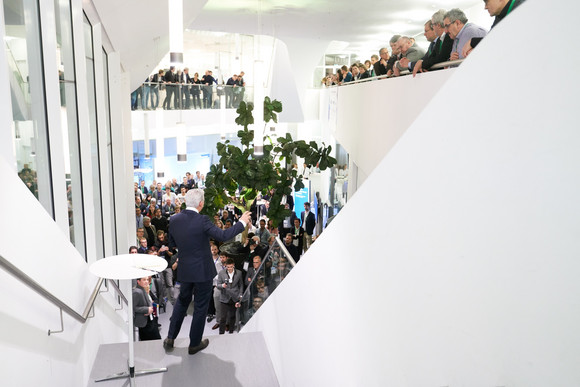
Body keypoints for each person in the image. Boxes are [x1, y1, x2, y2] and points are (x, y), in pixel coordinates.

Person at [163, 189, 251, 354]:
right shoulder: (202, 220)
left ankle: (170, 339)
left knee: (182, 302)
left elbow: (172, 243)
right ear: (201, 203)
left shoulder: (174, 220)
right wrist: (242, 223)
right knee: (200, 306)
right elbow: (223, 235)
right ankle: (194, 344)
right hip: (202, 272)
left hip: (185, 271)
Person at [412, 10, 455, 77]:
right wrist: (422, 62)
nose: (433, 28)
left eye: (433, 25)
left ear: (438, 25)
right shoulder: (439, 40)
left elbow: (441, 58)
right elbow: (432, 56)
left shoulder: (449, 37)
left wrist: (423, 64)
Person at [216, 258, 244, 334]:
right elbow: (218, 285)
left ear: (233, 265)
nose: (229, 269)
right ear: (225, 266)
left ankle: (231, 332)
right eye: (228, 267)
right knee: (223, 317)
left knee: (232, 316)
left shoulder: (239, 273)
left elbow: (241, 285)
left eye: (231, 267)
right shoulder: (221, 273)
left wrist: (240, 294)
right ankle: (221, 333)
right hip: (224, 297)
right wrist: (222, 285)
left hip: (234, 297)